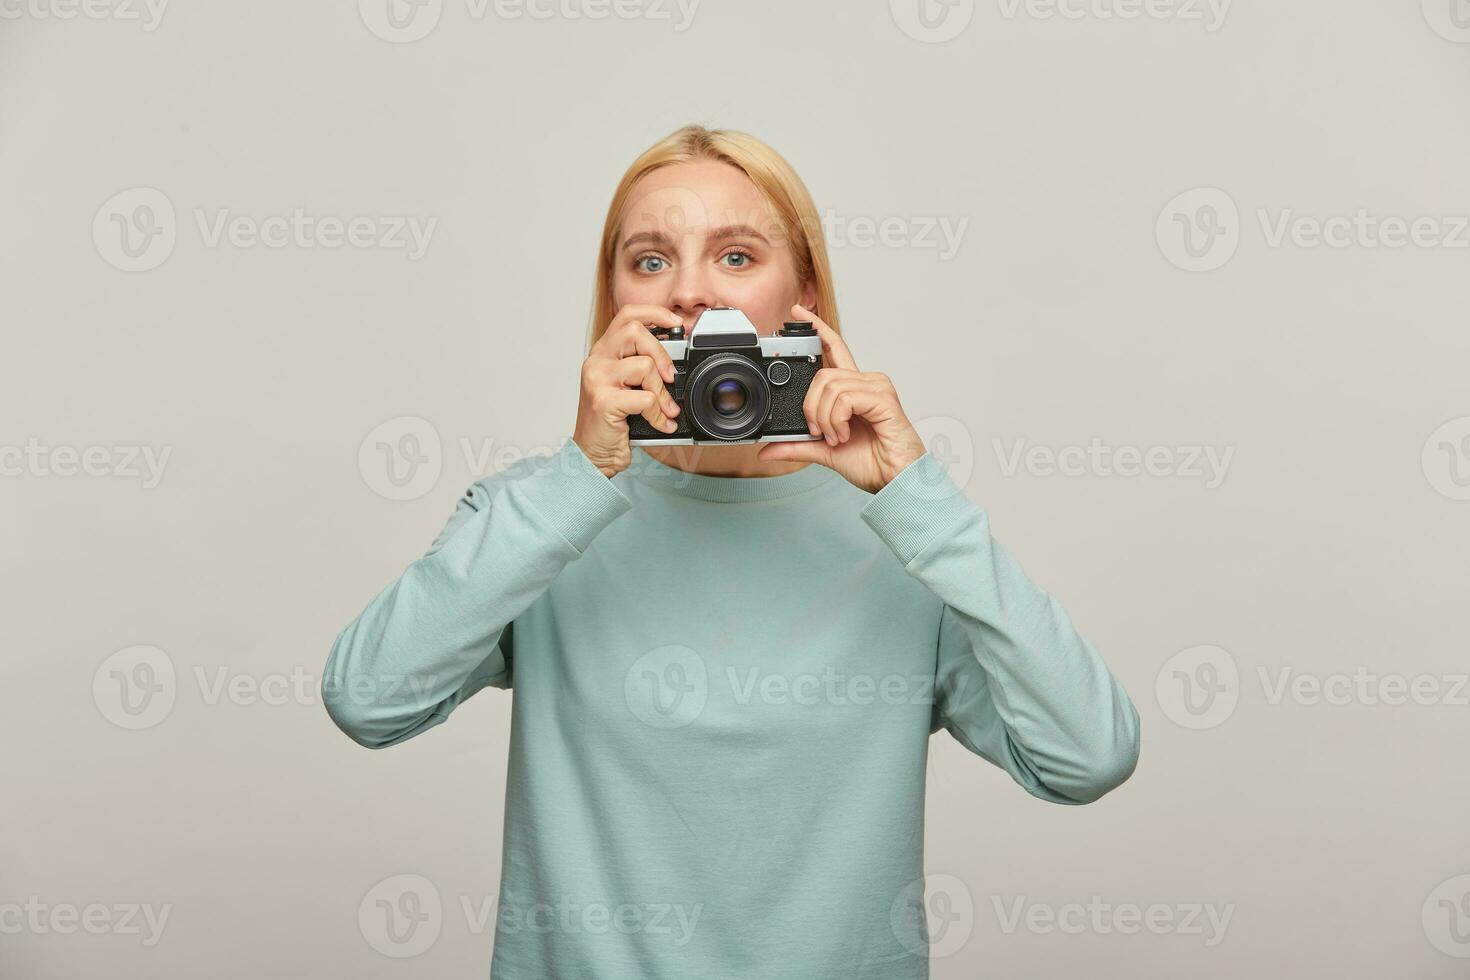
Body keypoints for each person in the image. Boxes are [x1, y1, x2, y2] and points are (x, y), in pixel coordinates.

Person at [322, 124, 1141, 979]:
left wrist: (920, 500)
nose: (690, 292)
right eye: (648, 261)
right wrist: (577, 478)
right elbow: (368, 701)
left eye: (737, 256)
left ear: (805, 296)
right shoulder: (539, 516)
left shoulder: (899, 536)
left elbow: (1088, 756)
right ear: (612, 304)